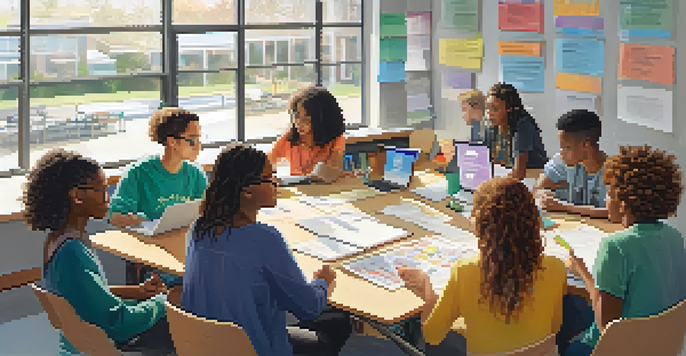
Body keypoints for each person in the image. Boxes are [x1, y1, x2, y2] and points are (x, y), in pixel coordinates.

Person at [181, 144, 352, 356]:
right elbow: (309, 308)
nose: (276, 182)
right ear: (247, 191)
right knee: (337, 322)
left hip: (208, 345)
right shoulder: (264, 239)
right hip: (254, 349)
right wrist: (324, 280)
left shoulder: (199, 228)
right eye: (269, 177)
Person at [25, 149, 174, 355]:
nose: (109, 197)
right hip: (101, 346)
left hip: (78, 343)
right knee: (182, 325)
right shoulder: (72, 253)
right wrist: (165, 300)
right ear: (76, 196)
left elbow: (84, 295)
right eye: (102, 190)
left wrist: (138, 292)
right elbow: (118, 324)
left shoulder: (58, 240)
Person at [398, 177, 567, 355]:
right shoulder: (556, 267)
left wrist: (428, 292)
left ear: (480, 224)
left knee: (428, 336)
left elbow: (432, 335)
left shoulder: (465, 271)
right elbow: (554, 327)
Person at [565, 145, 686, 356]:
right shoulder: (674, 237)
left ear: (622, 204)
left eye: (609, 193)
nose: (605, 200)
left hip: (613, 350)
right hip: (661, 345)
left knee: (569, 311)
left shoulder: (615, 247)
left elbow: (606, 327)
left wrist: (583, 273)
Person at [109, 107, 208, 287]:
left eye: (200, 139)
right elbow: (115, 217)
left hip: (186, 250)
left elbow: (207, 212)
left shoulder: (195, 174)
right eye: (192, 140)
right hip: (152, 255)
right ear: (173, 142)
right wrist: (138, 221)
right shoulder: (138, 173)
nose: (199, 146)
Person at [534, 109, 608, 219]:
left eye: (566, 147)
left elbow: (612, 213)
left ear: (585, 145)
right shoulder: (562, 161)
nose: (561, 152)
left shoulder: (612, 171)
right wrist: (543, 195)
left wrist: (565, 207)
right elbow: (538, 188)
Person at [269, 86, 347, 183]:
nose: (298, 123)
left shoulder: (336, 140)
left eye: (306, 120)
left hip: (326, 193)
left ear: (321, 120)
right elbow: (266, 164)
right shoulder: (288, 139)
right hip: (299, 195)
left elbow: (328, 174)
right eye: (296, 117)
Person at [486, 83, 548, 179]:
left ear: (509, 108)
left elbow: (519, 173)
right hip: (508, 177)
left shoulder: (523, 126)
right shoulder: (493, 126)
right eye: (488, 108)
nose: (490, 114)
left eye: (495, 109)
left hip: (532, 179)